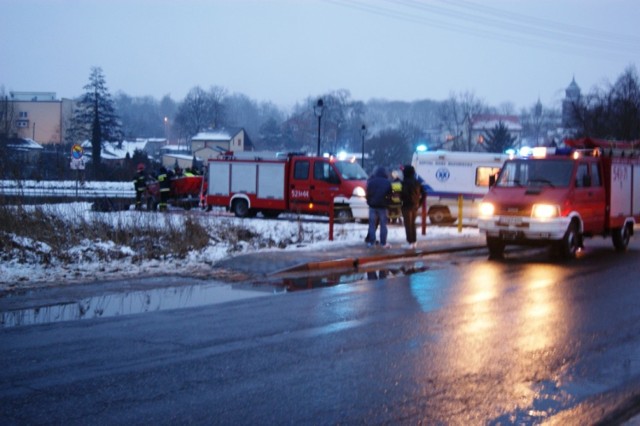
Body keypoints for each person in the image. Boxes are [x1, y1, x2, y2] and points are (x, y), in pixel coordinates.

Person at [365, 166, 392, 248]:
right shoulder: (387, 182)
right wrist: (387, 202)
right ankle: (383, 242)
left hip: (372, 206)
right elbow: (390, 194)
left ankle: (371, 242)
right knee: (383, 225)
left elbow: (368, 193)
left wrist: (369, 201)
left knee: (372, 225)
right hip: (383, 206)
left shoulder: (371, 182)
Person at [400, 165, 426, 249]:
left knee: (408, 224)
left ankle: (409, 242)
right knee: (413, 224)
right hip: (415, 206)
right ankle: (414, 241)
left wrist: (401, 199)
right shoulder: (417, 182)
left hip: (406, 205)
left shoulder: (404, 182)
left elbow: (402, 194)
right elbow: (424, 193)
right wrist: (419, 203)